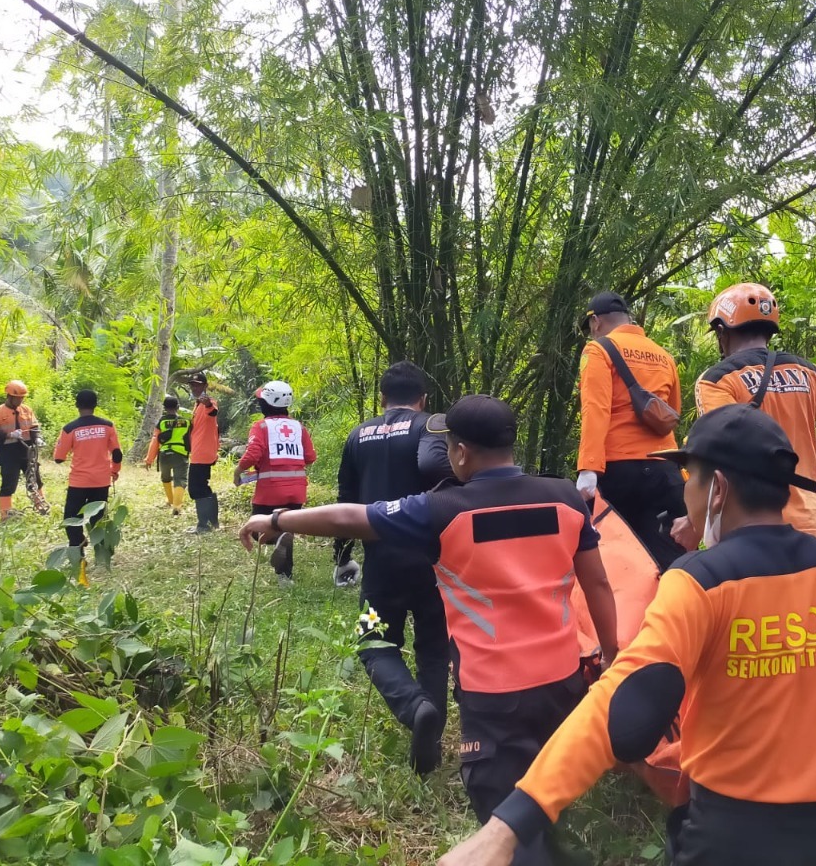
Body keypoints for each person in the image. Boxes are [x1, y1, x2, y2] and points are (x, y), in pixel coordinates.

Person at [437, 404, 816, 866]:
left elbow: (621, 709)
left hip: (732, 839)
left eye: (691, 482)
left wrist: (507, 828)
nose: (687, 498)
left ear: (717, 489)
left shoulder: (700, 584)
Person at [239, 395, 619, 860]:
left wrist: (277, 520)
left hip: (453, 650)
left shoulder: (434, 502)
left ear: (458, 452)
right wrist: (612, 652)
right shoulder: (563, 496)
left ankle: (416, 705)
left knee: (372, 639)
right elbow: (597, 581)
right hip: (560, 679)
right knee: (539, 782)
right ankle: (429, 711)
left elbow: (348, 513)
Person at [332, 361, 455, 770]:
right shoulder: (432, 427)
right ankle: (430, 744)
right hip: (434, 562)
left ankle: (414, 707)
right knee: (434, 650)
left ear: (382, 399)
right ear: (423, 399)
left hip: (379, 564)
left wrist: (342, 555)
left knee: (371, 642)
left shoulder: (357, 435)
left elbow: (346, 502)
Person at [677, 281, 816, 543]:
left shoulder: (717, 380)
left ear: (721, 331)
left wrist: (693, 518)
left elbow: (718, 454)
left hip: (756, 527)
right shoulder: (808, 373)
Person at [576, 290, 687, 570]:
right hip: (665, 470)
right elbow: (673, 410)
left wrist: (588, 469)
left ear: (595, 323)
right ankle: (676, 612)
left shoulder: (598, 349)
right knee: (669, 557)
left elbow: (596, 409)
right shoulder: (664, 355)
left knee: (617, 562)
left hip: (619, 472)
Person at [233, 381, 317, 585]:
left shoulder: (261, 427)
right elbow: (310, 457)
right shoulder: (299, 427)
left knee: (255, 530)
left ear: (266, 403)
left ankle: (277, 539)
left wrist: (238, 471)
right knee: (287, 527)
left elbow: (253, 453)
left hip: (270, 490)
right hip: (297, 490)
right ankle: (285, 577)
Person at [53, 389, 122, 576]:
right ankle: (102, 558)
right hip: (101, 480)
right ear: (95, 405)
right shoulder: (108, 426)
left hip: (79, 482)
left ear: (77, 405)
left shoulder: (69, 428)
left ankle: (79, 554)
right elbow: (117, 453)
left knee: (72, 519)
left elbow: (58, 457)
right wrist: (115, 471)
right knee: (98, 520)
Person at [0, 380, 46, 520]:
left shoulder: (27, 410)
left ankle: (41, 506)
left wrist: (37, 438)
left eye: (22, 398)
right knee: (8, 483)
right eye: (18, 398)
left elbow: (34, 427)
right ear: (9, 396)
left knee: (35, 479)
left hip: (27, 451)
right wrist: (9, 435)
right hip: (8, 453)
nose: (20, 400)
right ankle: (5, 514)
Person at [185, 371, 221, 534]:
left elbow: (213, 411)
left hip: (203, 453)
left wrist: (207, 404)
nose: (194, 388)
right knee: (201, 487)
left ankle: (204, 525)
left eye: (197, 385)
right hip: (199, 451)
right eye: (192, 385)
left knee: (196, 488)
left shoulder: (208, 402)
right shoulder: (197, 404)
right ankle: (211, 521)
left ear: (205, 386)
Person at [143, 396, 191, 516]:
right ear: (178, 407)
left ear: (164, 408)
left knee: (166, 477)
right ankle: (177, 506)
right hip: (180, 454)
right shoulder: (186, 422)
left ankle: (170, 500)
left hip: (164, 454)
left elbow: (155, 440)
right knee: (180, 479)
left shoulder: (162, 422)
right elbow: (191, 440)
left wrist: (149, 459)